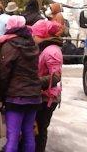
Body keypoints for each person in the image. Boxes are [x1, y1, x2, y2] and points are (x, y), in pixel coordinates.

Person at [0, 15, 42, 152]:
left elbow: (3, 73)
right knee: (28, 133)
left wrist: (0, 94)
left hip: (16, 97)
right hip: (34, 95)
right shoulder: (32, 44)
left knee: (13, 136)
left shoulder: (9, 45)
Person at [31, 20, 63, 152]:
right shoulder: (46, 48)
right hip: (44, 95)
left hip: (47, 97)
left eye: (34, 35)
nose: (32, 37)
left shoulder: (51, 51)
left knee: (40, 129)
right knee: (37, 128)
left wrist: (34, 83)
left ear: (41, 35)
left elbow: (56, 76)